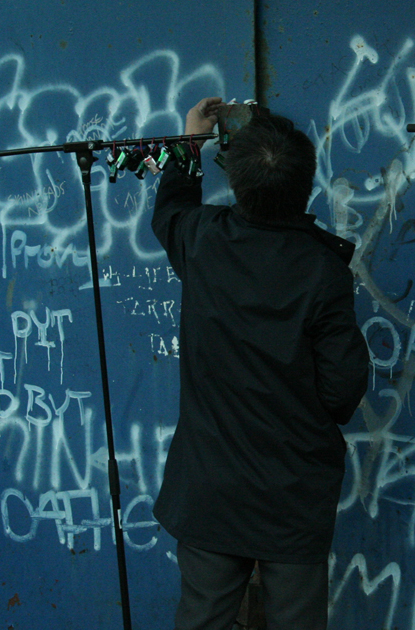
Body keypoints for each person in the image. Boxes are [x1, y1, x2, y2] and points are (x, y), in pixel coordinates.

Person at [151, 97, 370, 630]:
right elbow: (344, 390)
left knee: (203, 619)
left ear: (239, 186)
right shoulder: (323, 273)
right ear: (305, 186)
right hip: (291, 495)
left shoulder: (203, 241)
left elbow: (170, 211)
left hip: (210, 488)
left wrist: (189, 142)